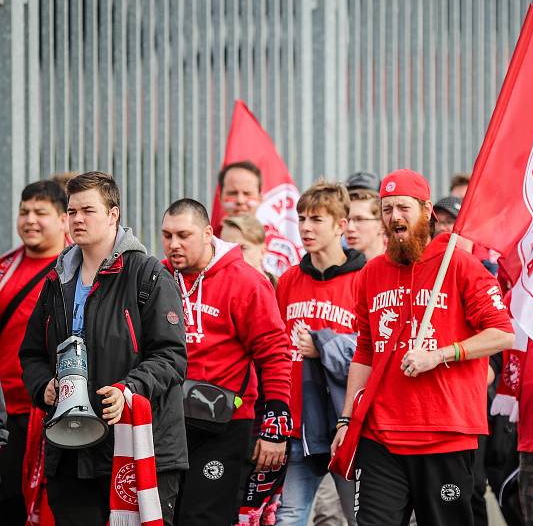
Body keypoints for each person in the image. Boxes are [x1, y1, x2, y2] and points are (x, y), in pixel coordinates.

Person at [330, 168, 514, 526]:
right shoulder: (371, 273)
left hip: (445, 436)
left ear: (426, 210)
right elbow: (365, 351)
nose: (394, 217)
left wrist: (440, 355)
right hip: (381, 436)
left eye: (403, 208)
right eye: (386, 209)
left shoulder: (460, 265)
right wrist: (347, 418)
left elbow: (502, 333)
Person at [19, 172, 188, 526]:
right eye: (72, 211)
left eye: (88, 210)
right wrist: (43, 386)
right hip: (71, 448)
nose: (77, 219)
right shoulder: (57, 278)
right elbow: (32, 353)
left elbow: (171, 358)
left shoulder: (148, 274)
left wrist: (129, 390)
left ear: (114, 214)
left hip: (138, 445)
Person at [160, 199, 292, 526]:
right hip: (165, 421)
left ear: (208, 233)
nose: (174, 244)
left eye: (183, 235)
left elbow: (275, 353)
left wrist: (275, 427)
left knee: (204, 517)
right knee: (164, 517)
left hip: (225, 423)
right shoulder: (157, 276)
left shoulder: (246, 280)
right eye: (166, 235)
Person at [275, 182, 365, 526]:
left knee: (359, 518)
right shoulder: (288, 280)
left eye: (317, 219)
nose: (306, 228)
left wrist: (324, 345)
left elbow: (371, 353)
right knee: (289, 516)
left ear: (341, 225)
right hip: (297, 427)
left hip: (346, 427)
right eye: (301, 219)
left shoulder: (364, 278)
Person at [0, 181, 67, 525]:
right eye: (24, 211)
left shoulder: (79, 266)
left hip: (61, 410)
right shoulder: (5, 268)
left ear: (62, 220)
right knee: (11, 501)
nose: (30, 220)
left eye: (41, 213)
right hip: (13, 414)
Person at [218, 160, 302, 277]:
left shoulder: (283, 251)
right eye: (232, 193)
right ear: (220, 197)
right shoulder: (208, 245)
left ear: (260, 198)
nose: (240, 200)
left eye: (247, 193)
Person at [220, 214, 277, 286]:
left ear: (262, 251)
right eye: (227, 248)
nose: (234, 254)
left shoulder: (282, 289)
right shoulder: (216, 288)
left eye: (243, 248)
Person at [345, 189, 385, 261]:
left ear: (382, 225)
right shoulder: (336, 266)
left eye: (359, 219)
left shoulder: (402, 264)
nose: (349, 228)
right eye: (346, 220)